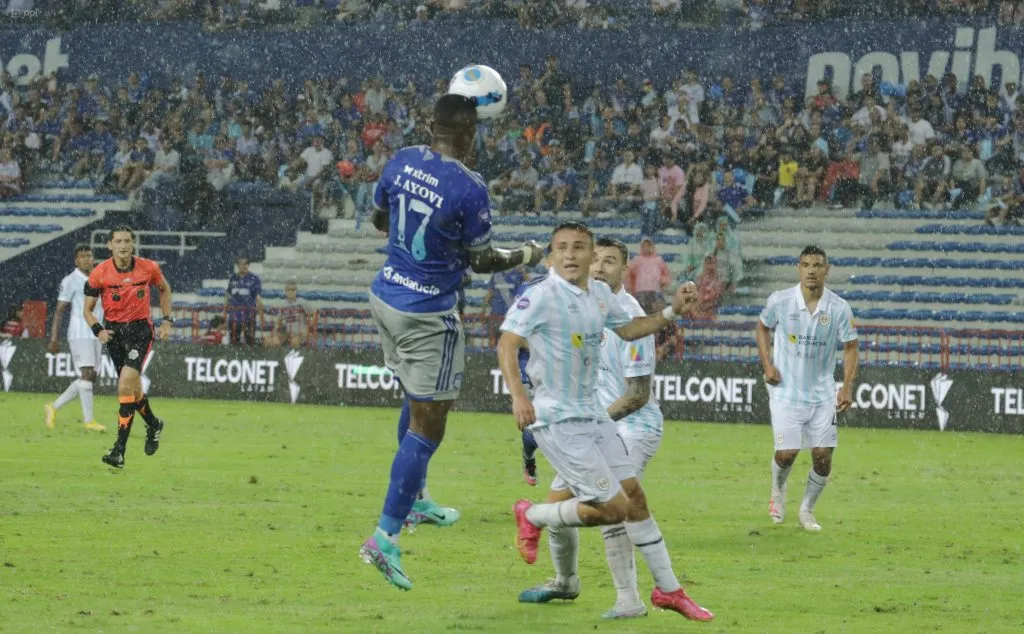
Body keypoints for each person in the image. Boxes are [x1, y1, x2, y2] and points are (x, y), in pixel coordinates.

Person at [359, 94, 545, 591]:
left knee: (414, 398)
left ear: (431, 126)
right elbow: (482, 261)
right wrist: (527, 252)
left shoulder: (400, 160)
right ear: (469, 134)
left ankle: (416, 497)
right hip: (429, 315)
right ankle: (385, 536)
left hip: (385, 296)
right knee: (430, 426)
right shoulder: (470, 187)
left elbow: (381, 219)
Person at [498, 222, 713, 622]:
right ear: (552, 255)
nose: (572, 255)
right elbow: (507, 343)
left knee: (635, 501)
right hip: (560, 421)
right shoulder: (540, 297)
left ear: (591, 253)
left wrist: (671, 312)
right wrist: (518, 395)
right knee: (614, 509)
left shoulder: (598, 295)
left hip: (594, 416)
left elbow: (630, 329)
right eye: (563, 248)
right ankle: (531, 515)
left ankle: (669, 591)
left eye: (580, 247)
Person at [755, 246, 859, 531]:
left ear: (827, 269)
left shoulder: (838, 308)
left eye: (817, 265)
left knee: (823, 456)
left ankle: (807, 510)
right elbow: (762, 328)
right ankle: (778, 490)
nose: (811, 270)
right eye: (805, 265)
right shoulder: (781, 301)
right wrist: (768, 366)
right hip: (786, 391)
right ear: (798, 268)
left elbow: (851, 347)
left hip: (823, 393)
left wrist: (847, 387)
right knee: (787, 453)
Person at [83, 226, 173, 469]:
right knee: (132, 390)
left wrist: (166, 320)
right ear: (109, 245)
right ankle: (154, 424)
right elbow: (87, 310)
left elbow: (164, 289)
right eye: (118, 241)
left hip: (139, 332)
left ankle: (118, 452)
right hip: (114, 334)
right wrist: (98, 330)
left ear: (133, 244)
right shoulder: (99, 274)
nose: (123, 245)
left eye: (127, 241)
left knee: (124, 384)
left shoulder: (148, 268)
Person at [44, 245, 107, 432]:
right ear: (76, 261)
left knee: (90, 376)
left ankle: (53, 407)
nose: (87, 259)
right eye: (82, 256)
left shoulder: (99, 278)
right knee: (87, 374)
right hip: (80, 332)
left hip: (97, 332)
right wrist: (54, 338)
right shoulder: (70, 280)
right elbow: (59, 311)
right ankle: (89, 421)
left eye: (89, 256)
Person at [225, 256, 264, 346]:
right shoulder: (233, 278)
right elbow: (227, 295)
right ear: (237, 265)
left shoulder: (254, 279)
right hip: (234, 316)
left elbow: (258, 298)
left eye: (245, 263)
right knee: (234, 341)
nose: (243, 266)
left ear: (248, 265)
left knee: (250, 341)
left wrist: (261, 314)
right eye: (240, 263)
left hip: (249, 315)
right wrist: (225, 311)